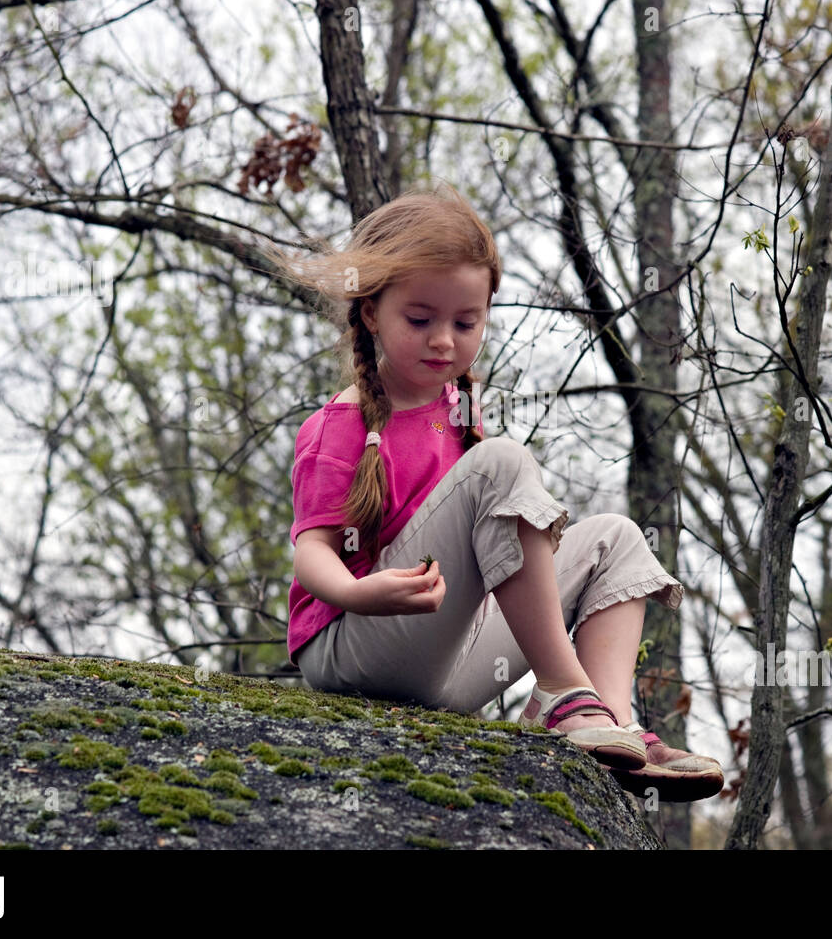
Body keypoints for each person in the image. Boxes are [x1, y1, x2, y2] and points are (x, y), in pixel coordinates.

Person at [266, 182, 723, 802]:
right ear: (371, 311)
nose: (444, 341)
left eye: (465, 321)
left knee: (613, 540)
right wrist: (357, 592)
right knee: (500, 463)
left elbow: (497, 556)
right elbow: (310, 551)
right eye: (420, 319)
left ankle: (608, 729)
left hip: (440, 663)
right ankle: (564, 690)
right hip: (354, 650)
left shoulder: (459, 414)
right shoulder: (341, 424)